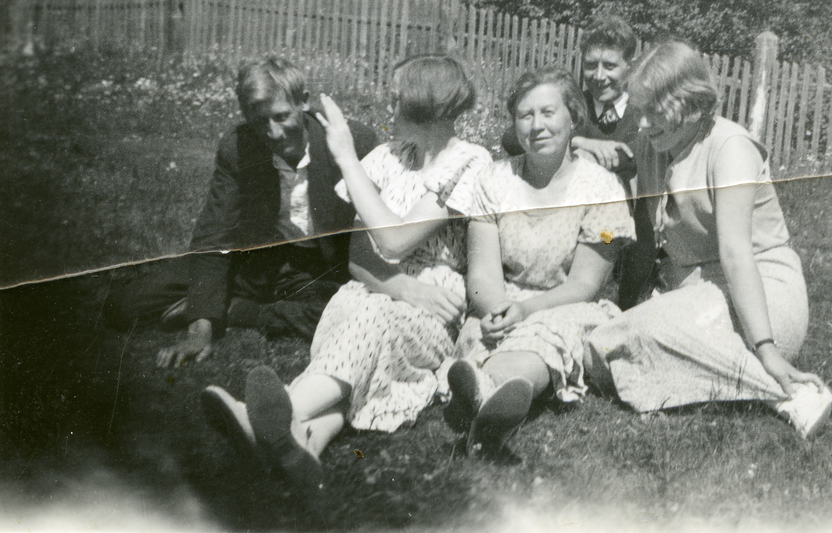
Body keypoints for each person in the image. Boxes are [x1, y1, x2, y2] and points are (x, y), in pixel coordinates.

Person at [199, 55, 492, 492]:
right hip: (373, 285)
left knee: (368, 325)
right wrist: (399, 287)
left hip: (437, 298)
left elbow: (394, 241)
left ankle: (276, 413)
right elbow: (359, 257)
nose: (389, 109)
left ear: (422, 105)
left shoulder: (470, 161)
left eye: (396, 100)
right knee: (358, 322)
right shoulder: (384, 158)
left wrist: (345, 158)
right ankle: (306, 443)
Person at [585, 41, 832, 437]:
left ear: (692, 105)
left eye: (654, 112)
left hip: (760, 297)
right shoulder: (656, 144)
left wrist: (767, 347)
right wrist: (580, 143)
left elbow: (736, 254)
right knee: (605, 347)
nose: (644, 124)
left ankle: (783, 392)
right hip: (697, 299)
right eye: (640, 111)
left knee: (622, 339)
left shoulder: (730, 148)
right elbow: (646, 235)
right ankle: (716, 378)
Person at [103, 57, 378, 367]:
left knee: (354, 313)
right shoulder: (237, 145)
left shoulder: (352, 140)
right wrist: (201, 329)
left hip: (320, 270)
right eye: (260, 121)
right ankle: (216, 306)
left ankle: (240, 311)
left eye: (282, 116)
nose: (273, 133)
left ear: (304, 101)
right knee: (124, 307)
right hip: (256, 264)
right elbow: (213, 236)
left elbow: (377, 227)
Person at [443, 67, 635, 453]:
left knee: (543, 336)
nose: (536, 126)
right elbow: (481, 271)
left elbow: (585, 284)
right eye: (525, 116)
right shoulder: (493, 181)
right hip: (500, 301)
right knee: (483, 332)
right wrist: (497, 308)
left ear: (572, 119)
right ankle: (491, 409)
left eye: (548, 113)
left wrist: (524, 309)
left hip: (567, 304)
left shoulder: (601, 188)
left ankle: (485, 393)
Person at [500, 14, 656, 309]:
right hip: (565, 220)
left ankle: (624, 303)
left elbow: (630, 155)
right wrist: (581, 142)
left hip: (620, 227)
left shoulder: (641, 111)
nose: (599, 76)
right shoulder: (573, 104)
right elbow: (511, 139)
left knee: (624, 240)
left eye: (610, 65)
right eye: (590, 65)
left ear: (629, 66)